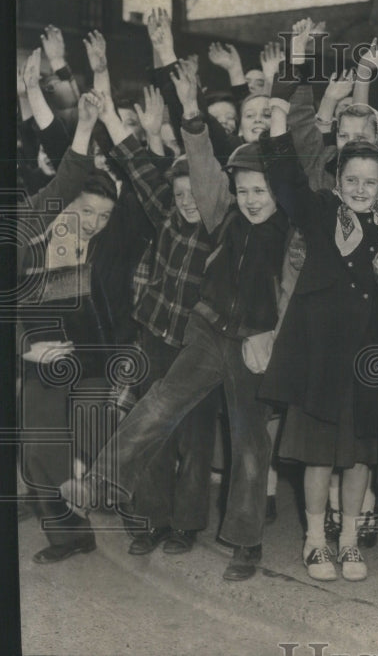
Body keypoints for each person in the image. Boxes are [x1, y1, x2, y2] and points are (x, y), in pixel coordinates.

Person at [70, 60, 289, 582]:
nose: (252, 199)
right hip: (207, 330)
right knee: (157, 405)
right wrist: (191, 113)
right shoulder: (225, 213)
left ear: (278, 193)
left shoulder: (290, 230)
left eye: (262, 191)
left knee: (249, 443)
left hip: (253, 343)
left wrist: (274, 337)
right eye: (245, 190)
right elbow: (205, 165)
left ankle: (245, 541)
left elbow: (295, 289)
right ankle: (98, 482)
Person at [258, 107, 378, 583]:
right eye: (351, 180)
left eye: (369, 182)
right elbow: (287, 179)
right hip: (318, 358)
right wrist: (277, 128)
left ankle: (350, 542)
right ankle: (316, 541)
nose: (359, 188)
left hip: (363, 362)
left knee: (357, 457)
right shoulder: (318, 213)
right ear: (338, 182)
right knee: (317, 455)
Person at [104, 84, 219, 557]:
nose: (187, 200)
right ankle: (153, 520)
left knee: (194, 439)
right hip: (155, 338)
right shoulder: (167, 214)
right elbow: (133, 159)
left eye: (195, 191)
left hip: (198, 347)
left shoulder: (219, 227)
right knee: (149, 429)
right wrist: (105, 103)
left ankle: (186, 525)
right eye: (179, 193)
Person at [18, 85, 122, 564]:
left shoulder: (92, 239)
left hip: (90, 352)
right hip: (43, 350)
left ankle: (139, 503)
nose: (93, 221)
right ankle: (70, 534)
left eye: (102, 215)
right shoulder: (27, 231)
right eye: (87, 213)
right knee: (40, 448)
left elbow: (70, 176)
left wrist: (84, 125)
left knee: (98, 437)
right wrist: (24, 348)